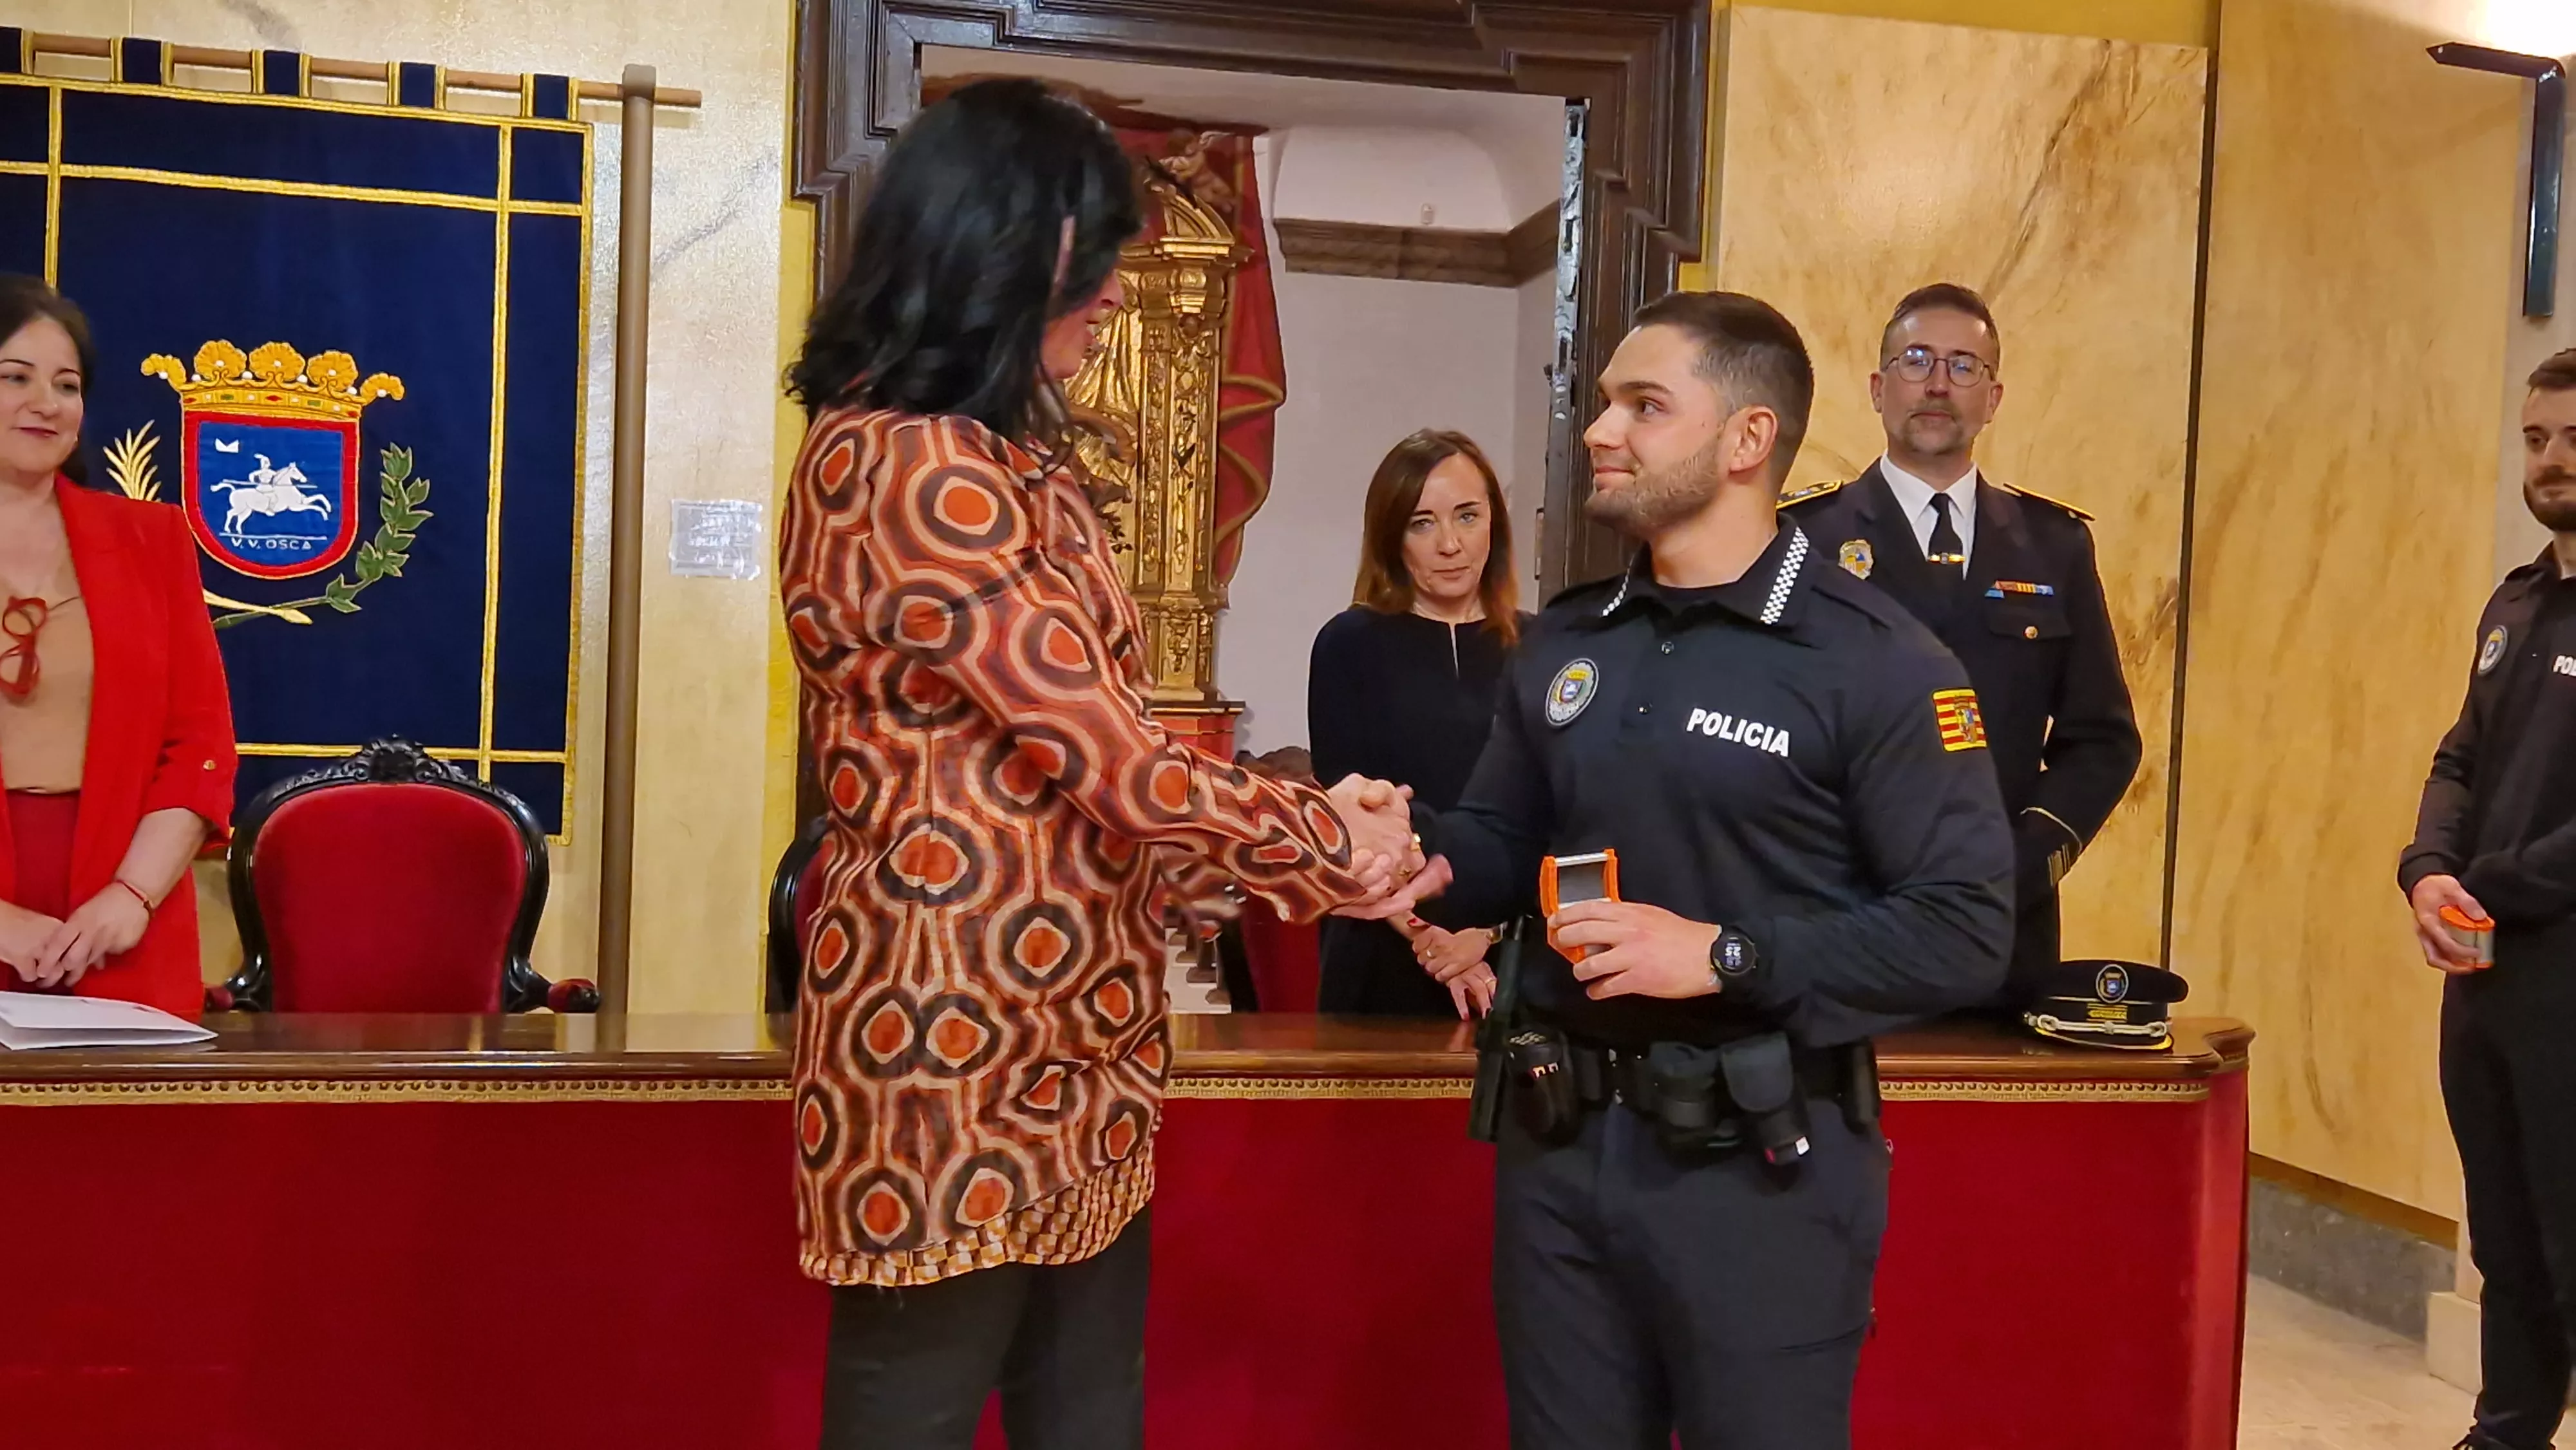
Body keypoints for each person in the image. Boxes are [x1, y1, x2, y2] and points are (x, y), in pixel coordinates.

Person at [776, 79, 1416, 1450]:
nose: (1118, 297)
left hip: (1074, 1037)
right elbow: (1116, 764)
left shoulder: (1007, 462)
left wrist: (1302, 819)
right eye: (1098, 262)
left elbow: (1093, 761)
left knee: (1089, 1412)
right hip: (950, 1039)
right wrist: (1324, 845)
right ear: (1002, 258)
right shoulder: (909, 466)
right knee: (917, 1411)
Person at [1363, 290, 2013, 1449]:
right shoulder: (1568, 640)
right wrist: (1395, 850)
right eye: (1606, 402)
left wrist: (1721, 955)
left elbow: (1963, 926)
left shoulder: (1876, 662)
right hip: (1561, 1157)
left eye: (1644, 406)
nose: (1601, 430)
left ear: (1747, 439)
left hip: (1760, 1175)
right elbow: (1503, 842)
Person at [1782, 283, 2139, 1004]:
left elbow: (2101, 737)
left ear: (1993, 397)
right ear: (1879, 387)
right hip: (1840, 912)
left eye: (1963, 365)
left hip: (2002, 926)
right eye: (1916, 360)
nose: (1938, 383)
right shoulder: (1802, 538)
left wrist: (2021, 860)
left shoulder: (2051, 544)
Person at [2400, 347, 2576, 1450]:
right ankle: (2506, 1429)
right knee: (2505, 1239)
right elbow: (2459, 759)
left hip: (2567, 979)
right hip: (2485, 979)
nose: (2553, 461)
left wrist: (2487, 888)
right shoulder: (2513, 604)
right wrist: (2426, 871)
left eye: (2574, 439)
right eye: (2538, 438)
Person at [0, 278, 235, 1019]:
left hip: (122, 910)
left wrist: (131, 895)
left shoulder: (152, 540)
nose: (47, 402)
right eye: (15, 377)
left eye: (66, 385)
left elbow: (199, 741)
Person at [1307, 429, 1522, 1018]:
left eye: (1468, 516)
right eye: (1422, 523)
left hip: (1514, 954)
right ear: (1391, 537)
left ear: (1495, 525)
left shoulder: (1543, 647)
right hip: (1383, 942)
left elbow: (1558, 820)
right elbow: (1351, 815)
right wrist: (1427, 934)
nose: (1450, 544)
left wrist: (1486, 933)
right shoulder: (1349, 644)